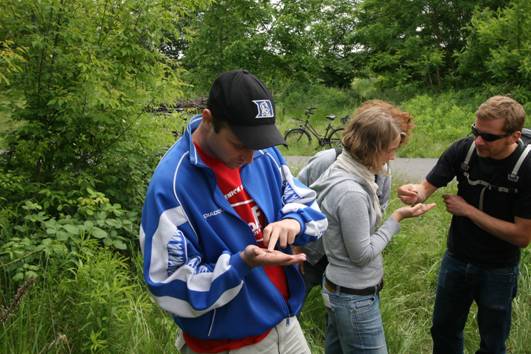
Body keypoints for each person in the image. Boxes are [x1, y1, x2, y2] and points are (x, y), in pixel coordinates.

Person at [139, 70, 328, 354]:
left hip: (287, 327)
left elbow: (309, 206)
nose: (250, 157)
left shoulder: (263, 154)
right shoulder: (172, 185)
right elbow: (169, 285)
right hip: (227, 346)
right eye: (240, 144)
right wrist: (241, 264)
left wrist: (293, 221)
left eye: (257, 144)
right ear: (208, 120)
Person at [397, 95, 531, 354]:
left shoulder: (526, 168)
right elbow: (426, 188)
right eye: (475, 131)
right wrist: (415, 192)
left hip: (499, 267)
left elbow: (521, 236)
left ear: (514, 136)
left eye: (489, 137)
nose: (479, 140)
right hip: (457, 258)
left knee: (492, 341)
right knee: (443, 331)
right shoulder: (464, 150)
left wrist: (468, 211)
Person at [310, 106, 435, 353]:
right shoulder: (352, 192)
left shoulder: (347, 169)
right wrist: (397, 218)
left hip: (341, 291)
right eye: (390, 151)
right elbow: (362, 254)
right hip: (354, 299)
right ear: (372, 149)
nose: (393, 158)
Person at [296, 100, 415, 297]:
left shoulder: (382, 171)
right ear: (372, 143)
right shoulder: (327, 161)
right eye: (389, 148)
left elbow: (380, 208)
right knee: (293, 303)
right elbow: (294, 200)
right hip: (311, 253)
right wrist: (295, 247)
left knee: (335, 312)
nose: (392, 156)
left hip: (345, 262)